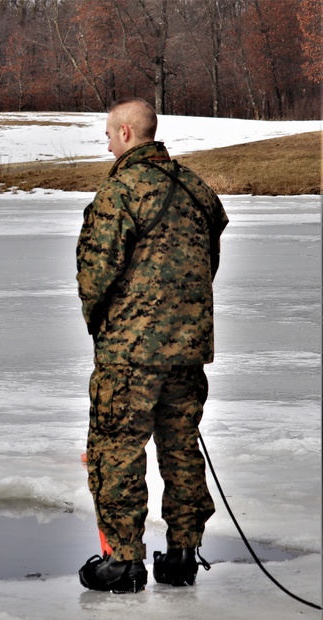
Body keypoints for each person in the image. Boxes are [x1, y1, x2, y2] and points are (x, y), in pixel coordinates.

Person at [75, 98, 229, 593]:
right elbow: (211, 253)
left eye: (107, 134)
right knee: (181, 447)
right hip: (187, 349)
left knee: (117, 449)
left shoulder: (119, 192)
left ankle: (123, 561)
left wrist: (102, 325)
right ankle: (183, 553)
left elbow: (95, 275)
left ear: (124, 133)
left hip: (130, 352)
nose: (106, 143)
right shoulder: (196, 188)